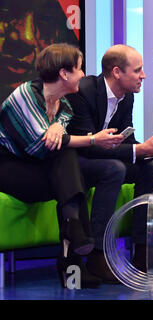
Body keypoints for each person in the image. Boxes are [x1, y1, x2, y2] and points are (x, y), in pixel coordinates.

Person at [0, 43, 124, 288]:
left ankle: (74, 240)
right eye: (79, 69)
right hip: (9, 168)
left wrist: (58, 125)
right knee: (65, 159)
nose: (83, 74)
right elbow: (40, 143)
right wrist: (92, 139)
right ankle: (72, 258)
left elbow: (63, 121)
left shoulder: (63, 103)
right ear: (64, 73)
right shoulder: (25, 95)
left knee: (69, 170)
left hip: (38, 167)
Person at [66, 45, 153, 283]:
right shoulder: (83, 91)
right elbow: (89, 145)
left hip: (104, 159)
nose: (143, 76)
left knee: (149, 167)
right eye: (137, 70)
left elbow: (124, 142)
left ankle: (142, 251)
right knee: (113, 169)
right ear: (117, 72)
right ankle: (97, 255)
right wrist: (139, 149)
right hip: (77, 163)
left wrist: (150, 149)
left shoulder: (127, 97)